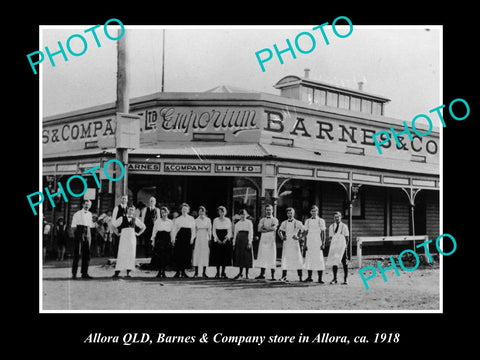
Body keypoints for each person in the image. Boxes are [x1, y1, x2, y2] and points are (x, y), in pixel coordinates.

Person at [112, 204, 146, 278]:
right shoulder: (122, 218)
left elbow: (143, 227)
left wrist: (138, 233)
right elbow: (113, 226)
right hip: (124, 237)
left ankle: (129, 271)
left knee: (131, 254)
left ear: (134, 212)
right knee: (121, 253)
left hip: (131, 238)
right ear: (128, 210)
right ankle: (117, 271)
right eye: (130, 209)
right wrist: (117, 233)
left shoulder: (135, 219)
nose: (131, 211)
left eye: (132, 210)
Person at [278, 207, 304, 282]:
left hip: (294, 243)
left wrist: (299, 237)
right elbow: (279, 230)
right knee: (285, 258)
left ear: (294, 213)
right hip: (287, 242)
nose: (290, 214)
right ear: (287, 214)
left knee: (297, 259)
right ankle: (284, 276)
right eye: (288, 213)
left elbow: (304, 230)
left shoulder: (298, 222)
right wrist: (282, 237)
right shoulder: (284, 223)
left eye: (291, 213)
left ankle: (300, 277)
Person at [71, 199, 95, 279]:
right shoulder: (77, 214)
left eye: (89, 205)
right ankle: (74, 274)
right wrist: (78, 234)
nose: (87, 206)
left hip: (87, 232)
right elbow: (74, 227)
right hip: (79, 231)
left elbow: (91, 225)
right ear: (83, 205)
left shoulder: (90, 214)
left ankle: (84, 273)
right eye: (86, 204)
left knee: (87, 254)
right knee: (77, 253)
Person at [303, 205, 326, 283]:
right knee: (309, 259)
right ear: (310, 212)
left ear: (317, 212)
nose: (314, 212)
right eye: (312, 211)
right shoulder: (307, 221)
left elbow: (323, 233)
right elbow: (306, 233)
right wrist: (305, 244)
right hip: (310, 242)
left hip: (317, 242)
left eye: (315, 211)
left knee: (319, 259)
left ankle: (320, 278)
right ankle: (309, 277)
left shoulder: (321, 221)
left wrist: (323, 243)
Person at [255, 204, 279, 281]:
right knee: (263, 256)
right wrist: (269, 228)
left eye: (270, 210)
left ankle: (273, 275)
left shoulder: (275, 220)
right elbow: (259, 229)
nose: (268, 211)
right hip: (263, 240)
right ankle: (262, 274)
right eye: (267, 210)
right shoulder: (262, 220)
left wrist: (265, 228)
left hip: (271, 240)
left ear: (272, 210)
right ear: (265, 211)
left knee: (272, 257)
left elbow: (274, 228)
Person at [172, 203, 196, 278]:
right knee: (179, 254)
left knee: (186, 254)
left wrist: (192, 238)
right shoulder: (178, 219)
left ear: (188, 210)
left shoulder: (191, 218)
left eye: (186, 209)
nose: (184, 210)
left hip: (188, 238)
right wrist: (173, 239)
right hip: (180, 238)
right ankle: (178, 272)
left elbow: (193, 230)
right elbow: (174, 230)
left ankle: (184, 272)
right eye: (183, 209)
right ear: (181, 210)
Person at [326, 211, 350, 285]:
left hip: (342, 246)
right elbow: (330, 237)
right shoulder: (331, 226)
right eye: (335, 217)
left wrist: (345, 247)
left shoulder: (344, 226)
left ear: (341, 217)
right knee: (335, 262)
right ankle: (334, 278)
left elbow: (347, 238)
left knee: (344, 263)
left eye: (338, 217)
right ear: (333, 218)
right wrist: (332, 245)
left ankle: (346, 279)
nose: (336, 218)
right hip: (335, 246)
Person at [150, 206, 174, 278]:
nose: (164, 214)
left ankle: (163, 272)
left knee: (165, 256)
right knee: (159, 256)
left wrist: (172, 240)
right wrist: (153, 240)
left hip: (166, 238)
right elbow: (154, 231)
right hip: (159, 238)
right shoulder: (157, 221)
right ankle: (159, 272)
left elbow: (172, 232)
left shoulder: (170, 222)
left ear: (167, 213)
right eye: (162, 213)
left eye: (165, 212)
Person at [210, 206, 233, 279]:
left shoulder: (228, 220)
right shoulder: (215, 220)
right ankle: (217, 272)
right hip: (218, 238)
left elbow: (229, 230)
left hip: (225, 238)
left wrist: (226, 239)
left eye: (222, 211)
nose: (221, 213)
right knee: (217, 256)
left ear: (225, 212)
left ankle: (223, 272)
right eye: (220, 212)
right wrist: (217, 239)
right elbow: (213, 230)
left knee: (224, 256)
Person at [232, 209, 254, 279]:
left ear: (246, 215)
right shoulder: (237, 224)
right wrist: (234, 243)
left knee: (247, 257)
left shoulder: (249, 222)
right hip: (239, 241)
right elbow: (235, 234)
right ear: (239, 216)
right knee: (240, 257)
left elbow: (251, 233)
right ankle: (240, 272)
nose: (243, 216)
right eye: (241, 214)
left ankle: (247, 273)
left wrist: (249, 242)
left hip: (246, 240)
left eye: (244, 214)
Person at [192, 206, 212, 278]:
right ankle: (196, 272)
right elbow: (194, 231)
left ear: (205, 212)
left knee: (205, 254)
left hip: (205, 237)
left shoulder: (208, 220)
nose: (201, 213)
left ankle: (204, 272)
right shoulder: (196, 220)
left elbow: (210, 230)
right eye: (200, 211)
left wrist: (210, 238)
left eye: (202, 211)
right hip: (198, 237)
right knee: (197, 254)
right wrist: (193, 239)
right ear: (198, 212)